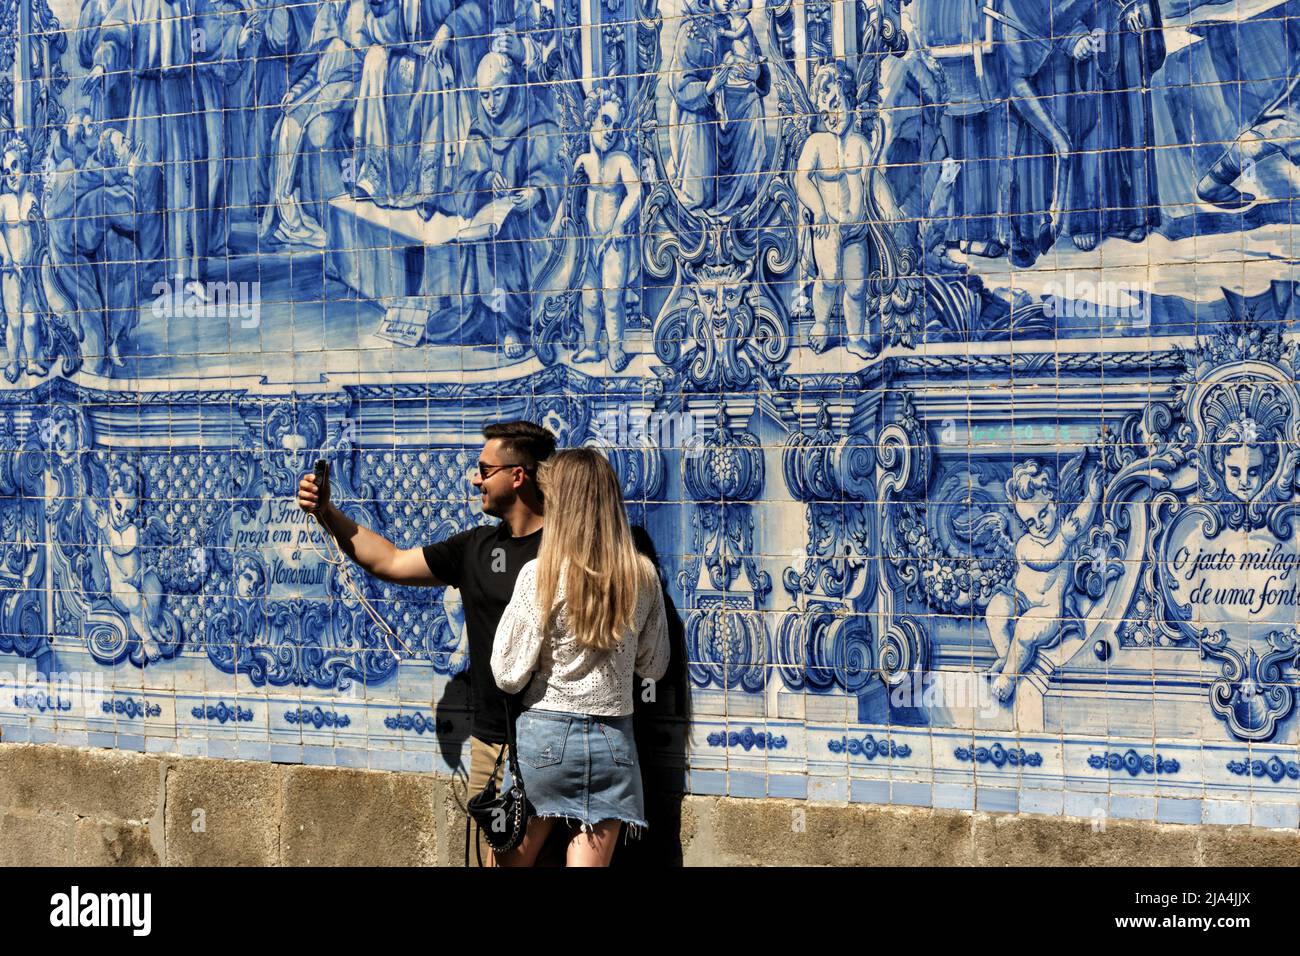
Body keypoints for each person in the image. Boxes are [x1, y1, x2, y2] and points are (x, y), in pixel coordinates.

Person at [296, 420, 554, 865]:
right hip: (492, 742)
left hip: (555, 738)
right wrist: (329, 513)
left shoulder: (566, 547)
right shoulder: (475, 547)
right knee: (498, 860)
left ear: (518, 475)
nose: (475, 478)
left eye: (484, 469)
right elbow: (392, 561)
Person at [490, 448, 670, 867]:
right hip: (615, 746)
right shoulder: (641, 574)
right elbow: (654, 665)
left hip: (544, 742)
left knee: (504, 861)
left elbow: (507, 674)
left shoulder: (540, 574)